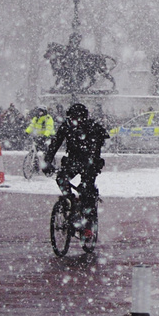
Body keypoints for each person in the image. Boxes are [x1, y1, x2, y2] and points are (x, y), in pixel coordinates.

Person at [43, 102, 109, 250]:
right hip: (73, 161)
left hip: (90, 163)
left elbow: (95, 149)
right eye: (72, 118)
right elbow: (55, 144)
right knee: (61, 178)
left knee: (87, 193)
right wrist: (47, 161)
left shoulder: (93, 129)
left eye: (77, 118)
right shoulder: (66, 127)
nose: (74, 121)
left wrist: (91, 166)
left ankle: (88, 227)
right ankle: (69, 201)